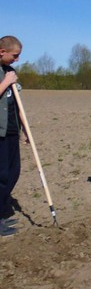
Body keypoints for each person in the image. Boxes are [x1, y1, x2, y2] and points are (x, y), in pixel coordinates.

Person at [0, 36, 25, 237]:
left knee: (14, 172)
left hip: (12, 130)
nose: (17, 60)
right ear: (2, 51)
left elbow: (16, 104)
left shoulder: (10, 72)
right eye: (14, 56)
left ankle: (2, 210)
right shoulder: (5, 75)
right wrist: (6, 82)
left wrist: (24, 128)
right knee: (2, 176)